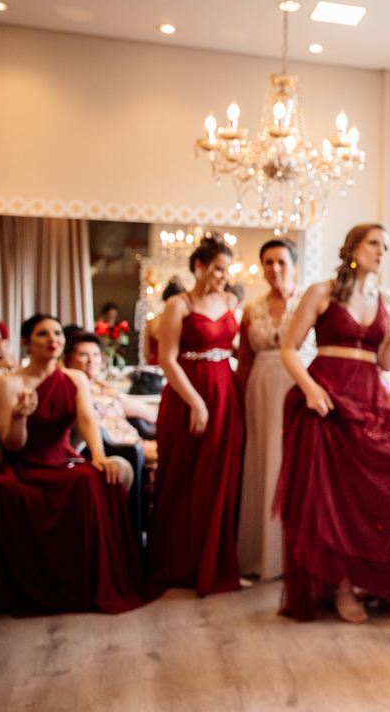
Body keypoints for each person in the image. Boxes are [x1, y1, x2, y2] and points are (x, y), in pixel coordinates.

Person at [275, 223, 390, 623]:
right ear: (353, 249)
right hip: (327, 398)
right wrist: (309, 388)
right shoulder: (321, 292)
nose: (382, 252)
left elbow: (386, 362)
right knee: (339, 497)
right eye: (374, 243)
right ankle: (343, 587)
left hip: (372, 398)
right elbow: (288, 347)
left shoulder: (386, 299)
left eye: (386, 246)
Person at [0, 314, 143, 615]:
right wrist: (19, 416)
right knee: (61, 486)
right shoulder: (8, 383)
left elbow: (86, 420)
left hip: (64, 457)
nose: (53, 339)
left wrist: (98, 455)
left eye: (57, 333)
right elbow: (13, 445)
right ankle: (51, 585)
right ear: (27, 342)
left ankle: (92, 581)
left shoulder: (75, 378)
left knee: (96, 479)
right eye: (43, 334)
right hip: (26, 464)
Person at [148, 233, 245, 596]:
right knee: (183, 477)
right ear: (199, 266)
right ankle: (178, 563)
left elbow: (233, 345)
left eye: (227, 269)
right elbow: (166, 359)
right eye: (218, 269)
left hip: (226, 393)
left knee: (221, 476)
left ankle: (217, 561)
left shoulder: (230, 300)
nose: (223, 276)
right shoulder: (179, 305)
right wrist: (196, 403)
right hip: (188, 394)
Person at [235, 237, 311, 581]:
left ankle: (300, 555)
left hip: (300, 384)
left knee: (297, 463)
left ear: (294, 265)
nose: (275, 269)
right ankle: (265, 556)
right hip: (261, 389)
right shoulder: (252, 310)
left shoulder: (309, 302)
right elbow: (244, 362)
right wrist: (238, 404)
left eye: (281, 262)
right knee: (265, 463)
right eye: (268, 262)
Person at [64, 331, 156, 537]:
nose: (91, 361)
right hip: (109, 448)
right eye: (83, 355)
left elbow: (150, 413)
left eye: (96, 355)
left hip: (134, 442)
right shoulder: (70, 389)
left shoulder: (105, 388)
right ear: (69, 360)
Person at [142, 278, 186, 366]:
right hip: (179, 368)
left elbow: (146, 353)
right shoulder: (186, 321)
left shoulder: (153, 321)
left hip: (156, 368)